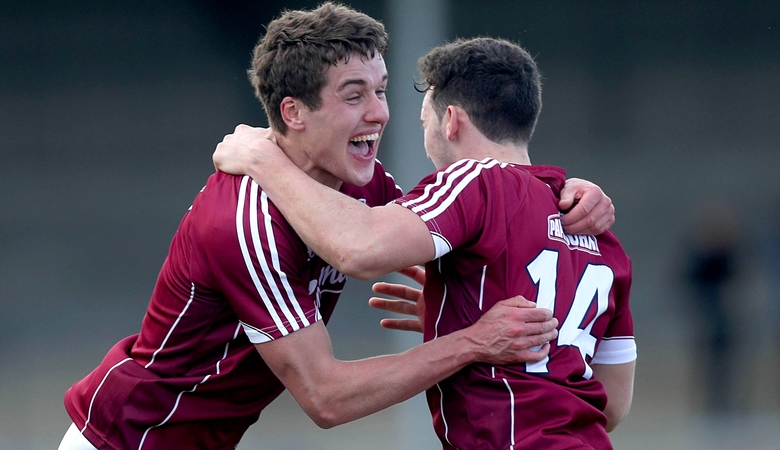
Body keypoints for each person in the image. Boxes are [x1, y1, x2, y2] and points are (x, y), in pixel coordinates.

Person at [57, 5, 616, 450]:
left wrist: (566, 196)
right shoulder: (245, 219)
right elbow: (328, 398)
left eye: (381, 89)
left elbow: (473, 233)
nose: (379, 112)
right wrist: (471, 341)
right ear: (294, 113)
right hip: (128, 438)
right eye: (354, 96)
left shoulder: (361, 186)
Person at [212, 36, 636, 449]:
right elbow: (612, 404)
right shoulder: (600, 234)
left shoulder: (476, 180)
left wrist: (261, 159)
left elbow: (357, 249)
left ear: (450, 121)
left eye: (423, 122)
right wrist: (462, 313)